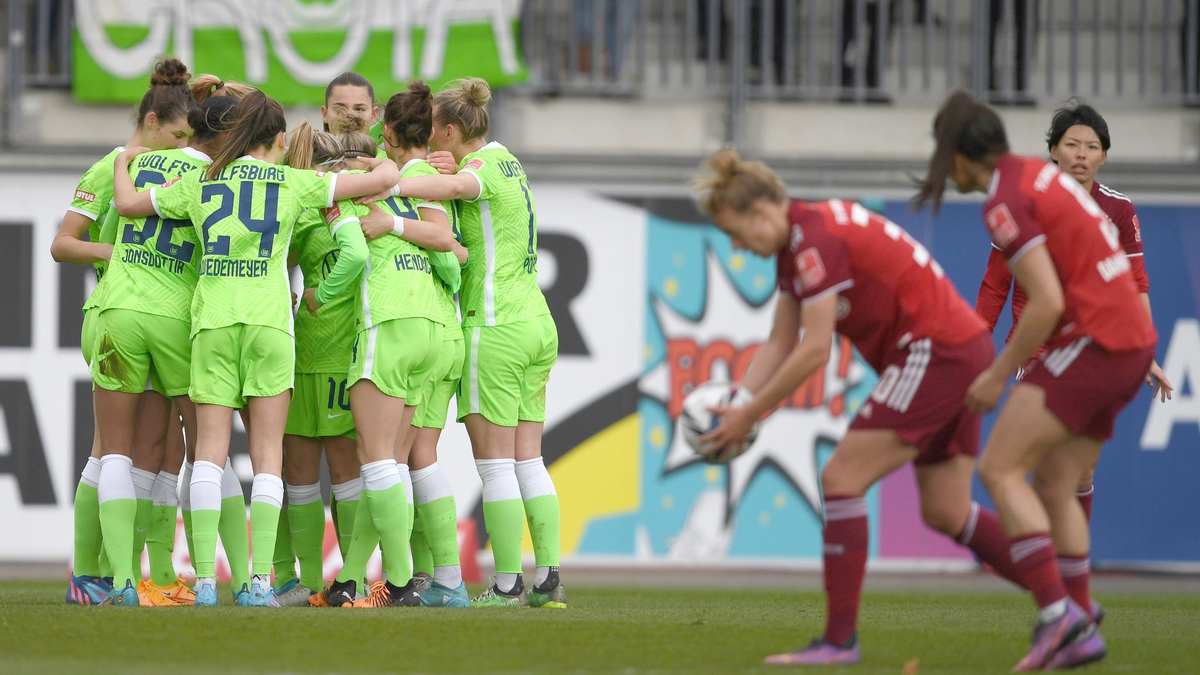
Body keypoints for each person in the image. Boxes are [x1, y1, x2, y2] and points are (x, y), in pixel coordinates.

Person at [694, 149, 1032, 665]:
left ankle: (838, 642)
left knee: (841, 478)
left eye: (734, 233)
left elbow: (814, 350)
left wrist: (750, 413)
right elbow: (781, 341)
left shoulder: (813, 240)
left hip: (935, 352)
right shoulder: (799, 242)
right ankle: (1067, 603)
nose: (737, 246)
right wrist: (739, 402)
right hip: (957, 350)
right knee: (946, 510)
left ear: (760, 211)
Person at [113, 89, 402, 607]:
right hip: (270, 325)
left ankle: (206, 582)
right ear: (279, 139)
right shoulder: (293, 182)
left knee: (209, 453)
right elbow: (386, 179)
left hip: (213, 323)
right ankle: (259, 584)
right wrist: (369, 160)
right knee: (269, 456)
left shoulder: (202, 181)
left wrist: (121, 162)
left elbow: (128, 204)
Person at [915, 91, 1157, 670]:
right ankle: (1080, 617)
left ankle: (1059, 617)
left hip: (1094, 342)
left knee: (999, 467)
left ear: (958, 154)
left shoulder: (1007, 199)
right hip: (1128, 342)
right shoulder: (1033, 179)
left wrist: (994, 375)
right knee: (1055, 482)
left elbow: (1045, 302)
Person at [380, 78, 565, 609]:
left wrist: (390, 180)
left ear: (448, 131)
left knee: (496, 464)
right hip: (536, 322)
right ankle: (548, 578)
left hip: (496, 325)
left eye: (433, 132)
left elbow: (457, 189)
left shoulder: (478, 170)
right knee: (529, 459)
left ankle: (507, 584)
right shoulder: (509, 161)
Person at [975, 99, 1173, 527]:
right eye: (1071, 144)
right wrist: (975, 346)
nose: (1081, 154)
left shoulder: (1118, 210)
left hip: (1095, 351)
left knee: (1080, 472)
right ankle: (1040, 556)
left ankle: (1058, 562)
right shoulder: (1024, 201)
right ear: (1053, 150)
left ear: (1104, 157)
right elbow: (995, 284)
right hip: (1039, 349)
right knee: (1037, 461)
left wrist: (1147, 352)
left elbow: (1136, 284)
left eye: (1092, 146)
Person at [51, 57, 195, 606]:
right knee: (109, 448)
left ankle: (138, 573)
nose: (183, 145)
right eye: (177, 135)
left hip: (158, 314)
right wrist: (112, 251)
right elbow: (63, 243)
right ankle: (93, 573)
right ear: (152, 121)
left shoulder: (178, 166)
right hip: (116, 309)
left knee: (159, 447)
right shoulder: (110, 167)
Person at [88, 96, 237, 607]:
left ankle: (123, 582)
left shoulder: (136, 162)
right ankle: (230, 580)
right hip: (178, 318)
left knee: (116, 449)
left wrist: (122, 163)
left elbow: (112, 225)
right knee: (206, 448)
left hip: (119, 310)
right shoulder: (216, 178)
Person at [364, 80, 470, 608]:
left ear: (387, 131)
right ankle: (439, 578)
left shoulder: (408, 178)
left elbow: (445, 242)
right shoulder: (429, 175)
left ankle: (408, 580)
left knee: (390, 458)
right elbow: (456, 255)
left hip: (410, 321)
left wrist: (389, 222)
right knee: (414, 456)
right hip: (442, 328)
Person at [270, 124, 368, 607]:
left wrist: (318, 295)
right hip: (308, 350)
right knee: (309, 470)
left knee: (327, 470)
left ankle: (342, 580)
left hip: (330, 350)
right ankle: (318, 584)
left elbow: (355, 257)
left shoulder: (336, 208)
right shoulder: (307, 208)